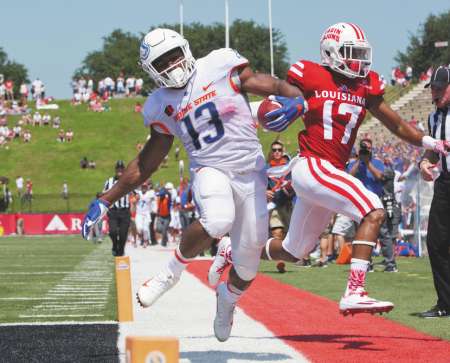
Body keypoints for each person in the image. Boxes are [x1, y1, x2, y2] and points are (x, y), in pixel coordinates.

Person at [81, 27, 306, 342]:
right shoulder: (160, 103)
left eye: (174, 56)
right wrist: (106, 199)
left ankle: (226, 299)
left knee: (249, 264)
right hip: (210, 168)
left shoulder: (218, 64)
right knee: (217, 219)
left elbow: (267, 82)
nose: (172, 65)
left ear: (185, 50)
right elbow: (148, 161)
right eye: (163, 62)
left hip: (251, 172)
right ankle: (168, 275)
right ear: (152, 72)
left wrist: (295, 98)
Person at [210, 22, 450, 316]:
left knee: (293, 251)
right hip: (312, 165)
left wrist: (432, 143)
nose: (359, 60)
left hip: (328, 172)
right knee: (373, 209)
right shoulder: (310, 75)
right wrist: (254, 105)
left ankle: (231, 250)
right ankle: (355, 290)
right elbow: (271, 92)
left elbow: (397, 124)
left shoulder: (366, 85)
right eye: (352, 53)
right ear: (331, 53)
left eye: (362, 53)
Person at [418, 66, 450, 318]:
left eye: (441, 87)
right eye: (434, 88)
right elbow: (433, 149)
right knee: (436, 242)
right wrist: (424, 163)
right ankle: (446, 303)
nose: (436, 92)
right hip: (446, 182)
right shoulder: (433, 118)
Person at [102, 160, 131, 256]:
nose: (120, 170)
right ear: (115, 170)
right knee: (113, 232)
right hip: (113, 211)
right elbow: (104, 194)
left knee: (123, 234)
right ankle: (115, 245)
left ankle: (120, 250)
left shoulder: (128, 180)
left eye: (121, 169)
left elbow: (136, 193)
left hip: (125, 212)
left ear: (124, 170)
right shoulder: (109, 181)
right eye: (118, 168)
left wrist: (136, 199)